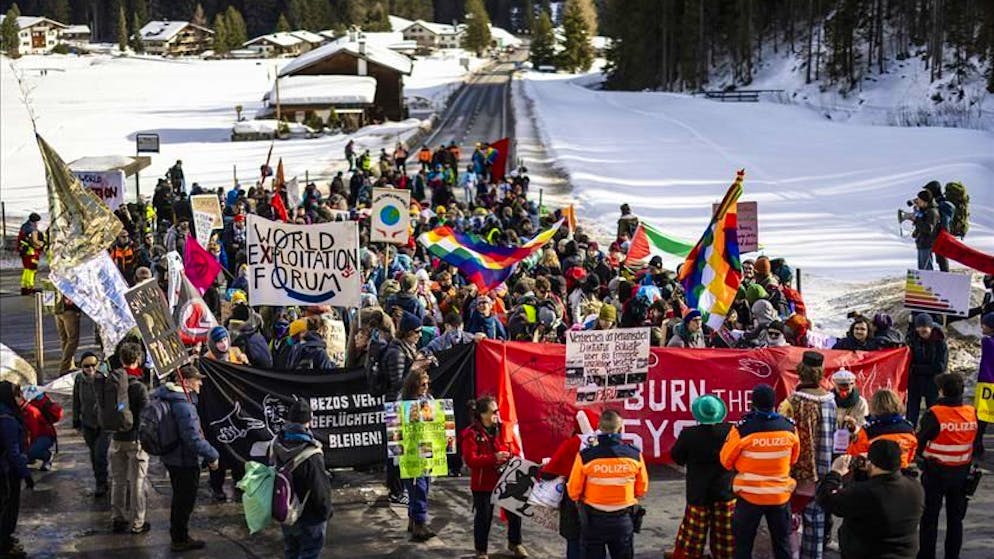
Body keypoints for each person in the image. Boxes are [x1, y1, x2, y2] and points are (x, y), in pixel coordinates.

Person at [720, 384, 800, 559]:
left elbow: (726, 461)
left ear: (752, 404)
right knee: (782, 544)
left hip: (749, 496)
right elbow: (793, 459)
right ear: (774, 403)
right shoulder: (790, 428)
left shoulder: (742, 429)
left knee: (743, 545)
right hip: (780, 496)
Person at [816, 440, 924, 559]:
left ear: (873, 464)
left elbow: (825, 499)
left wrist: (835, 473)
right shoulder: (915, 488)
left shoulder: (864, 493)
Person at [152, 365, 220, 552]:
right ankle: (180, 538)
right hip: (183, 460)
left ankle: (179, 535)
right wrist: (213, 455)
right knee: (184, 500)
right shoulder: (183, 405)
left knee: (179, 498)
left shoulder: (168, 397)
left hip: (171, 457)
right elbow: (192, 437)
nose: (200, 383)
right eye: (197, 380)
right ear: (187, 382)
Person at [567, 409, 648, 559]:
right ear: (621, 427)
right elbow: (642, 488)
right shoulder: (634, 455)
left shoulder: (586, 456)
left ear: (599, 427)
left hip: (593, 520)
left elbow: (573, 490)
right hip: (623, 519)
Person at [777, 352, 836, 559]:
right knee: (816, 523)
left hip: (794, 472)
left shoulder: (792, 402)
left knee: (790, 522)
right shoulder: (830, 401)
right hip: (821, 472)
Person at [916, 373, 978, 559]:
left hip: (935, 472)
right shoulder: (971, 412)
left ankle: (927, 556)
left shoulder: (934, 414)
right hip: (961, 473)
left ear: (941, 391)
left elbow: (920, 441)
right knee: (955, 521)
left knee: (929, 520)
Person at [666, 395, 735, 559]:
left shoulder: (689, 434)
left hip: (698, 493)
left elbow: (677, 457)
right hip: (725, 491)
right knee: (726, 539)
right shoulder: (731, 431)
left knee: (692, 539)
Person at [462, 396, 528, 559]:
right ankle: (481, 550)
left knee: (515, 511)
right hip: (483, 483)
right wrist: (493, 457)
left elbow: (512, 447)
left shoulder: (502, 428)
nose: (497, 414)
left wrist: (509, 455)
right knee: (484, 517)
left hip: (505, 478)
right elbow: (471, 460)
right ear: (483, 414)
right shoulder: (471, 434)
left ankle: (515, 543)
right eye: (494, 411)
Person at [271, 399, 333, 559]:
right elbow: (320, 489)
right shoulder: (311, 453)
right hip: (310, 515)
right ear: (309, 421)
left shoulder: (277, 443)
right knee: (310, 553)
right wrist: (326, 511)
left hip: (286, 509)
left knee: (291, 551)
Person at [538, 410, 600, 559]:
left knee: (574, 541)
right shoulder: (603, 444)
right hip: (598, 501)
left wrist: (545, 466)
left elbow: (549, 473)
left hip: (573, 502)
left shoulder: (572, 444)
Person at [382, 311, 427, 505]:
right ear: (408, 333)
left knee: (404, 450)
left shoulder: (406, 349)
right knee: (397, 451)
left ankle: (398, 489)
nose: (420, 336)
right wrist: (415, 367)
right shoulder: (396, 353)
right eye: (417, 332)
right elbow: (397, 383)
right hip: (396, 406)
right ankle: (396, 490)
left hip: (405, 405)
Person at [109, 342, 150, 535]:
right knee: (137, 482)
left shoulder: (115, 380)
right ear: (138, 359)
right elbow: (146, 415)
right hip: (136, 440)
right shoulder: (139, 386)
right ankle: (137, 522)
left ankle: (117, 517)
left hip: (116, 438)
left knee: (118, 481)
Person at [400, 370, 436, 542]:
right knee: (417, 486)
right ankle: (419, 523)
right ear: (413, 384)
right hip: (410, 450)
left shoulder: (429, 400)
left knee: (424, 485)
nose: (426, 387)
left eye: (427, 384)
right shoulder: (404, 402)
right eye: (423, 384)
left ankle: (413, 520)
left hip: (426, 447)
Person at [0, 382, 34, 559]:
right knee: (9, 507)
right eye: (17, 395)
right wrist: (26, 474)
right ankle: (4, 543)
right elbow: (14, 451)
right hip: (7, 472)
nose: (20, 399)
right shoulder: (8, 420)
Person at [847, 389, 918, 471]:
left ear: (873, 406)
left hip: (875, 476)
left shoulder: (868, 431)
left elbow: (853, 455)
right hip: (901, 473)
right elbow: (912, 453)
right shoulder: (909, 428)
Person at [72, 351, 111, 497]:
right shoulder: (79, 380)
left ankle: (102, 483)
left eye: (93, 365)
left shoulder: (103, 379)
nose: (90, 369)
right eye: (87, 366)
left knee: (100, 453)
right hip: (88, 423)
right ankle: (100, 481)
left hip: (103, 424)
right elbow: (76, 399)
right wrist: (76, 420)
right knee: (94, 455)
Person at [907, 313, 948, 426]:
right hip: (915, 381)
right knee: (912, 412)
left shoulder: (940, 342)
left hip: (933, 382)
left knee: (933, 411)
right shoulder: (912, 339)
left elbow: (940, 366)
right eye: (919, 328)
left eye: (924, 329)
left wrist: (916, 369)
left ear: (930, 327)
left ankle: (932, 432)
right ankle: (910, 432)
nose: (921, 331)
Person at [19, 385, 63, 472]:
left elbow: (33, 430)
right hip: (42, 435)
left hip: (44, 435)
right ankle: (31, 456)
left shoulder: (31, 411)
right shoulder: (29, 407)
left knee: (30, 451)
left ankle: (46, 456)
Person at [911, 189, 940, 270]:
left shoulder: (932, 212)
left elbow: (928, 229)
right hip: (921, 243)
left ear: (925, 201)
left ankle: (930, 282)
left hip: (927, 244)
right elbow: (921, 223)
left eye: (919, 200)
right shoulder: (924, 210)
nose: (918, 202)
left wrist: (917, 220)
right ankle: (924, 283)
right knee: (922, 269)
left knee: (926, 269)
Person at [17, 213, 44, 295]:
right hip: (31, 252)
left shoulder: (24, 226)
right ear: (35, 221)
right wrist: (42, 243)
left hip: (23, 251)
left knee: (26, 269)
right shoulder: (32, 229)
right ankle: (30, 287)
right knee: (32, 269)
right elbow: (35, 241)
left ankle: (24, 287)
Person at [54, 293, 82, 373]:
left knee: (65, 340)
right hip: (69, 311)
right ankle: (65, 367)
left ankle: (70, 365)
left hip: (58, 309)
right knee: (73, 340)